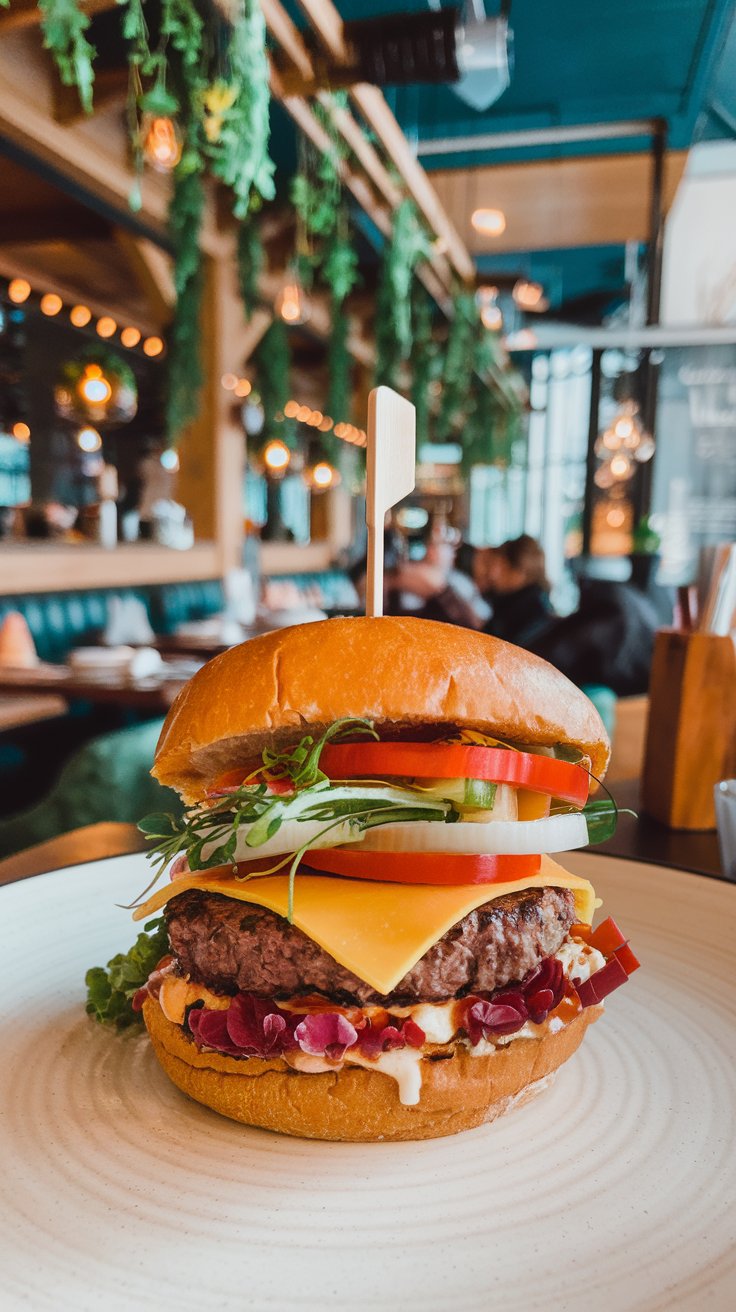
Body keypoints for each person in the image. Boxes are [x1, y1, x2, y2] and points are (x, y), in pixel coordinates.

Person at [475, 536, 555, 648]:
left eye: (501, 566)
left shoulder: (523, 617)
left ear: (520, 572)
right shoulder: (517, 606)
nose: (492, 574)